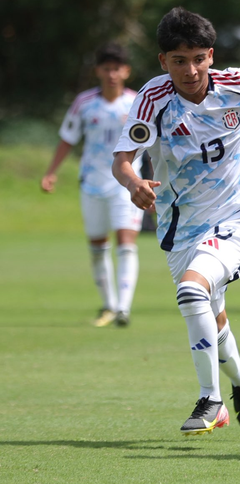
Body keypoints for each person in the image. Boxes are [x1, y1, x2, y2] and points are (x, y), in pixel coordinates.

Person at [112, 7, 240, 436]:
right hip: (181, 223)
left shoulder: (237, 83)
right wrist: (133, 184)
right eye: (179, 60)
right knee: (210, 312)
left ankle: (211, 400)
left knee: (191, 290)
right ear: (163, 61)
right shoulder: (152, 100)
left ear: (211, 55)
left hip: (237, 212)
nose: (191, 69)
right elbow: (122, 161)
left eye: (199, 58)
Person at [41, 43, 144, 328]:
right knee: (98, 246)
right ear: (98, 71)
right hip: (92, 183)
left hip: (127, 184)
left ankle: (123, 307)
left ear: (126, 72)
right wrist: (51, 172)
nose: (112, 74)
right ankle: (109, 305)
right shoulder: (84, 103)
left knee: (126, 243)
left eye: (117, 68)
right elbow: (67, 138)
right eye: (107, 68)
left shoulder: (137, 103)